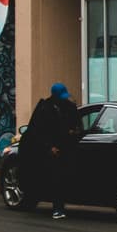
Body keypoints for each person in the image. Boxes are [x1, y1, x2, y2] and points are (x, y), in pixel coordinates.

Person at [21, 81, 80, 218]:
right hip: (50, 150)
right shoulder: (45, 109)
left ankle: (57, 206)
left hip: (66, 147)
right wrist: (49, 146)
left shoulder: (68, 108)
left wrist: (74, 132)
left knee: (60, 178)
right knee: (55, 178)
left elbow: (76, 124)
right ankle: (57, 208)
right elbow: (39, 132)